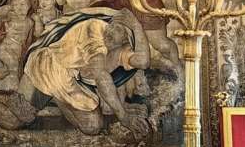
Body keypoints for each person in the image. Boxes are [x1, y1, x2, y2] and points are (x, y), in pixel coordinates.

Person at [18, 7, 152, 138]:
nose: (110, 30)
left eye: (118, 29)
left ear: (125, 39)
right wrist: (124, 117)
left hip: (69, 81)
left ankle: (56, 97)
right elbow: (100, 76)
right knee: (14, 120)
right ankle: (54, 94)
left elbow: (143, 62)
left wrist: (137, 26)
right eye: (112, 25)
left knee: (92, 126)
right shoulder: (95, 28)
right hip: (48, 67)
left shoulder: (118, 48)